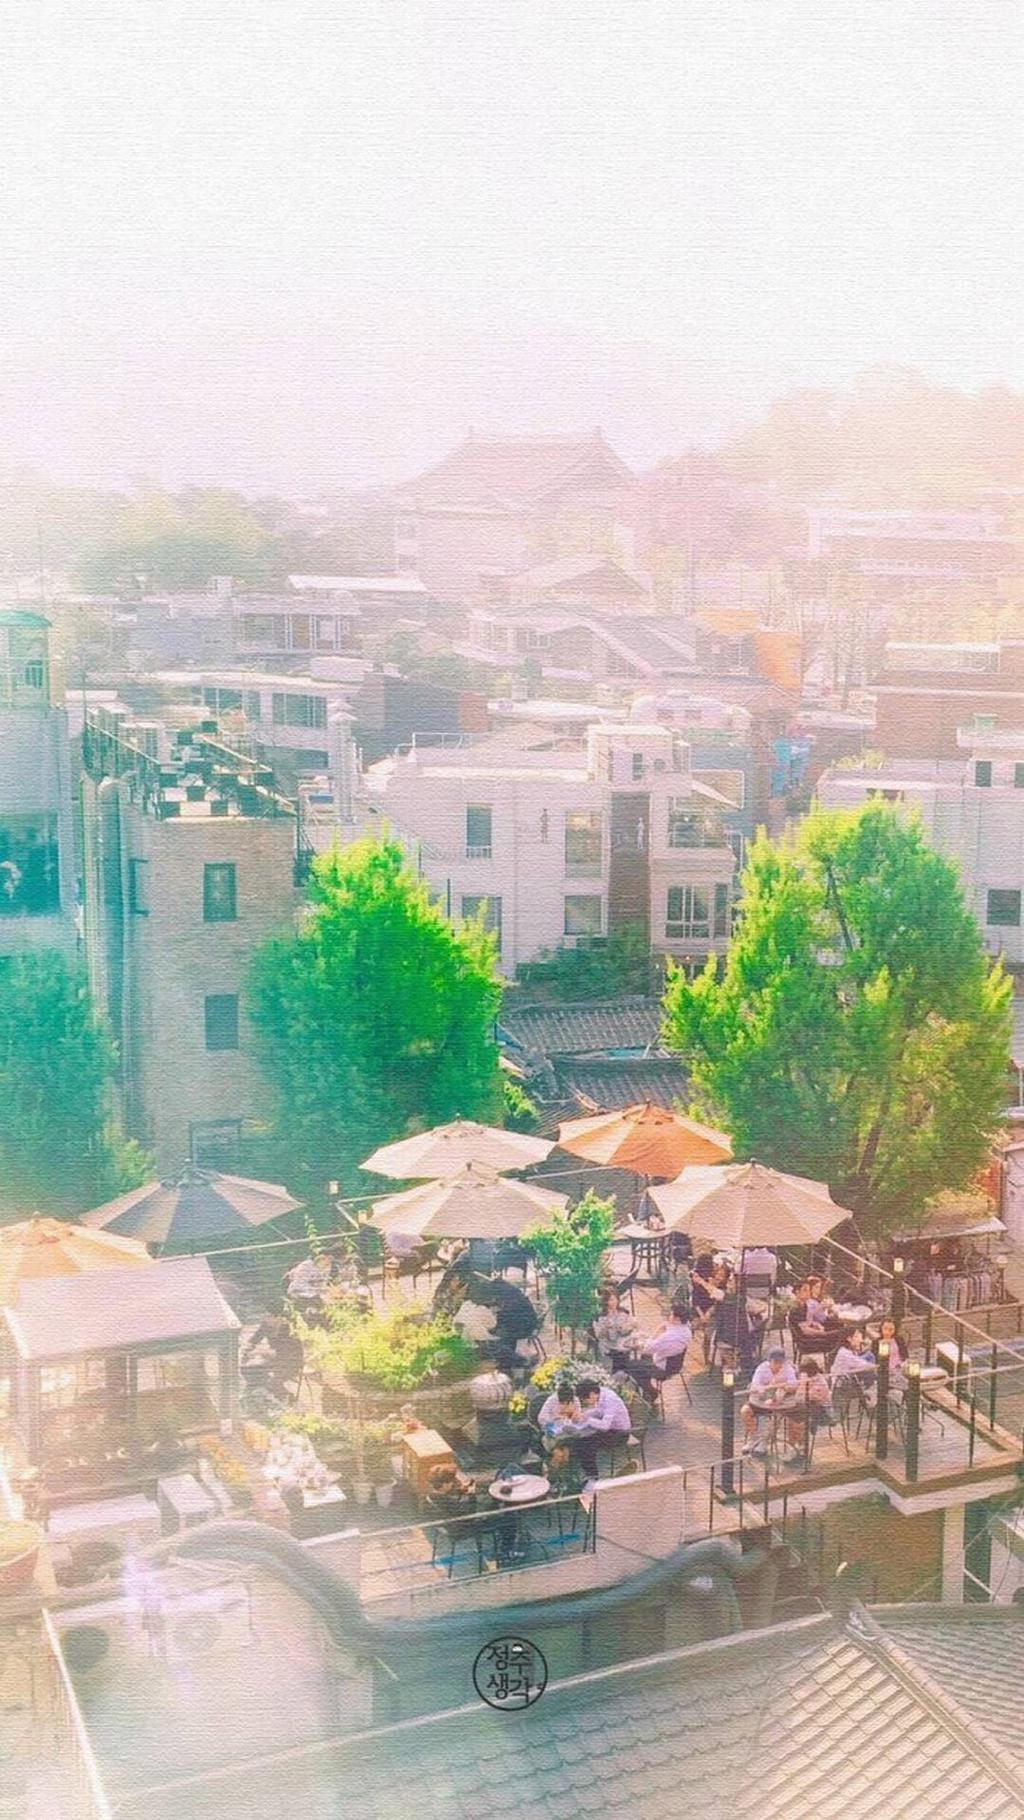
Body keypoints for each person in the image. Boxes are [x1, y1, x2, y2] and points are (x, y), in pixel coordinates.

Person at [627, 1303, 692, 1402]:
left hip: (663, 1369)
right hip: (676, 1364)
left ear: (677, 1318)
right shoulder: (687, 1330)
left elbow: (648, 1349)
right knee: (643, 1359)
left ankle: (651, 1391)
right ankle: (646, 1387)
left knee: (632, 1365)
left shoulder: (669, 1336)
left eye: (671, 1314)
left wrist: (656, 1333)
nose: (669, 1316)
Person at [740, 1347, 799, 1454]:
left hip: (779, 1402)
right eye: (775, 1362)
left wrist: (783, 1386)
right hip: (761, 1400)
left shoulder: (788, 1369)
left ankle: (764, 1442)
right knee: (745, 1411)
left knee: (777, 1417)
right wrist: (767, 1387)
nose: (778, 1365)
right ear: (769, 1361)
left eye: (780, 1362)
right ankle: (754, 1439)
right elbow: (754, 1385)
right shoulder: (762, 1368)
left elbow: (794, 1386)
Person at [573, 1377, 632, 1477]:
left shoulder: (610, 1399)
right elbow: (599, 1411)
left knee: (586, 1443)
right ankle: (589, 1473)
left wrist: (586, 1420)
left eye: (584, 1399)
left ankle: (592, 1476)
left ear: (591, 1394)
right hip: (611, 1430)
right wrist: (584, 1415)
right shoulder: (601, 1394)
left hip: (620, 1433)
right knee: (581, 1440)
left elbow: (605, 1425)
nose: (585, 1402)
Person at [781, 1360, 834, 1466]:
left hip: (823, 1412)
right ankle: (793, 1446)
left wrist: (802, 1384)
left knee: (800, 1423)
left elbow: (801, 1398)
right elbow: (800, 1396)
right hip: (810, 1407)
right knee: (791, 1418)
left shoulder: (819, 1382)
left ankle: (802, 1449)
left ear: (808, 1372)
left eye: (802, 1373)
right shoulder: (809, 1378)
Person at [593, 1289, 639, 1367]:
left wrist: (626, 1327)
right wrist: (606, 1329)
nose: (613, 1302)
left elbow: (628, 1329)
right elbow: (598, 1335)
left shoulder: (623, 1314)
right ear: (605, 1302)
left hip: (622, 1348)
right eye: (610, 1300)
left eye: (615, 1299)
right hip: (607, 1349)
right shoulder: (600, 1317)